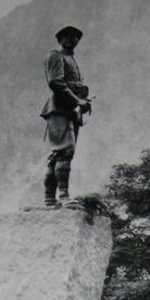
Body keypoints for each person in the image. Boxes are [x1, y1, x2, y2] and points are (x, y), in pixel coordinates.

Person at [40, 24, 91, 208]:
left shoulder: (71, 59)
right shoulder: (56, 56)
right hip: (59, 109)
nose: (72, 40)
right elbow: (56, 82)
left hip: (69, 111)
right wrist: (77, 101)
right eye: (67, 36)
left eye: (76, 37)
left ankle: (50, 200)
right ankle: (62, 197)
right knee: (64, 151)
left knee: (60, 154)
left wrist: (82, 101)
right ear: (60, 40)